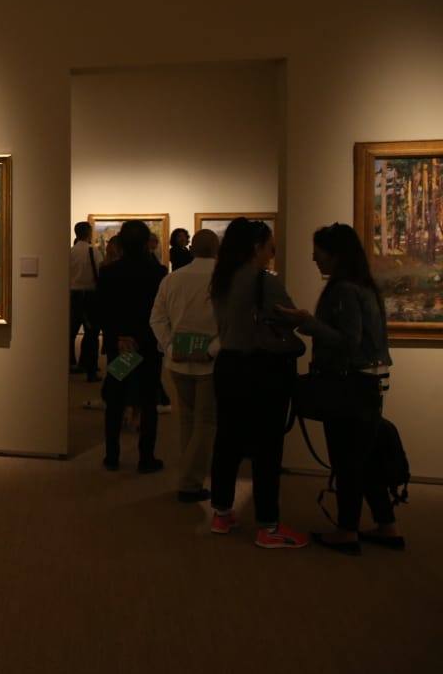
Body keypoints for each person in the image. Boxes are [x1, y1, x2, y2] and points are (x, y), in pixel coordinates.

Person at [277, 224, 401, 554]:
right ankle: (386, 524)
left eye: (318, 251)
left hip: (347, 384)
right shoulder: (365, 286)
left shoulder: (343, 289)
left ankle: (347, 530)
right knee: (368, 456)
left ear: (335, 254)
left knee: (346, 459)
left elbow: (348, 340)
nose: (313, 257)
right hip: (368, 383)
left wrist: (305, 320)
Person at [208, 218, 307, 549]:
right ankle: (268, 524)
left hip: (228, 365)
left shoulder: (221, 279)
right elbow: (291, 316)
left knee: (227, 440)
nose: (271, 252)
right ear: (256, 247)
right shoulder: (265, 281)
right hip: (262, 367)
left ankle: (221, 513)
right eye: (269, 246)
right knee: (267, 446)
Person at [150, 229, 220, 502]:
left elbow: (157, 319)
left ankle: (190, 479)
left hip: (177, 363)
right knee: (206, 422)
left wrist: (169, 347)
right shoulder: (223, 279)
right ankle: (189, 482)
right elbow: (231, 322)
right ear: (217, 249)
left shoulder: (172, 279)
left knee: (188, 420)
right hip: (210, 364)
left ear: (191, 249)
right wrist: (211, 350)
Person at [97, 220, 167, 472]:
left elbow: (102, 311)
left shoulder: (108, 273)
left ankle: (112, 456)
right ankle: (146, 457)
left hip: (121, 345)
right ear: (147, 242)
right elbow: (160, 313)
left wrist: (117, 336)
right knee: (149, 402)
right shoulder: (158, 273)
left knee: (115, 400)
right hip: (147, 345)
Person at [68, 222, 102, 382]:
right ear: (88, 233)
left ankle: (70, 363)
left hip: (73, 295)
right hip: (90, 296)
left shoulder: (70, 252)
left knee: (70, 332)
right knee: (91, 333)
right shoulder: (93, 251)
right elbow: (100, 271)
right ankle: (89, 368)